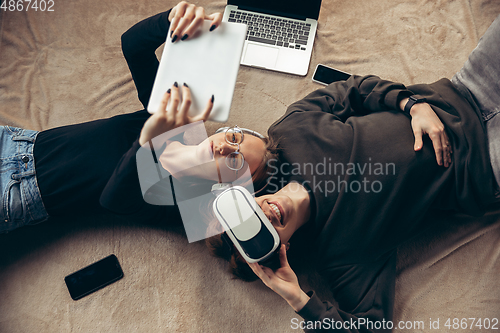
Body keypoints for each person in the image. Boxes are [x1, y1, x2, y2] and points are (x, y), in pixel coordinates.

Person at [207, 13, 500, 333]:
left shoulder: (290, 132)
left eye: (247, 213)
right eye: (260, 233)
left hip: (466, 88)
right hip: (486, 164)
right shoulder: (343, 255)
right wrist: (299, 300)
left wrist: (411, 104)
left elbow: (355, 90)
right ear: (281, 251)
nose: (263, 216)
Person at [0, 1, 276, 234]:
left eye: (235, 160)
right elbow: (133, 46)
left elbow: (115, 199)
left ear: (231, 185)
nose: (225, 146)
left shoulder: (183, 205)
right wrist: (171, 21)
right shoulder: (183, 122)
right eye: (235, 138)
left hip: (18, 193)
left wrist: (150, 137)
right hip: (17, 140)